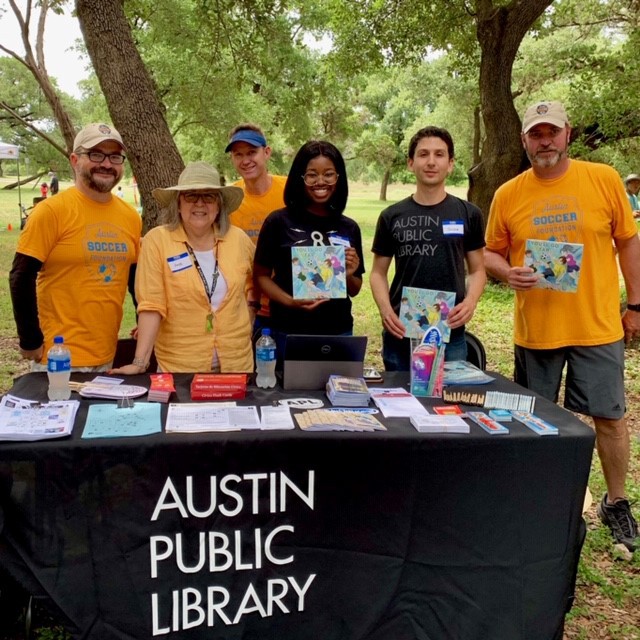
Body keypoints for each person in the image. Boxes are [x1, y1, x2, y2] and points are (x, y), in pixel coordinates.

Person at [484, 100, 640, 552]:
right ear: (524, 141)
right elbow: (491, 251)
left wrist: (636, 305)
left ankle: (616, 501)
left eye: (552, 131)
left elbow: (628, 242)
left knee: (609, 418)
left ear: (568, 133)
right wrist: (505, 271)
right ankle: (535, 500)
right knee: (534, 420)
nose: (545, 140)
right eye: (536, 133)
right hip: (538, 329)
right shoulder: (508, 193)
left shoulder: (603, 178)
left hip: (597, 326)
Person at [9, 122, 141, 371]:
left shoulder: (131, 217)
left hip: (106, 352)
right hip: (58, 356)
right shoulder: (51, 211)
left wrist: (141, 319)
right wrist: (30, 340)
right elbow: (20, 276)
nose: (106, 164)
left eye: (114, 156)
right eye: (96, 154)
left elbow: (134, 279)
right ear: (74, 160)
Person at [110, 162, 256, 374]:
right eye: (190, 196)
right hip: (180, 369)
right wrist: (140, 362)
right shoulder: (157, 241)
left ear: (219, 206)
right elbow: (151, 305)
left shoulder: (238, 239)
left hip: (237, 366)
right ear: (178, 204)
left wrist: (251, 307)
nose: (199, 203)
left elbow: (261, 277)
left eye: (208, 196)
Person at [370, 126, 486, 370]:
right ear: (411, 163)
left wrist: (471, 301)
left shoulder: (469, 214)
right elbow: (378, 273)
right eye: (423, 154)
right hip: (400, 332)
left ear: (451, 163)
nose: (431, 162)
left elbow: (477, 270)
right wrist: (385, 310)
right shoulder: (391, 216)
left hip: (449, 334)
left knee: (447, 405)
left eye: (439, 154)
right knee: (399, 406)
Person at [253, 140, 365, 360]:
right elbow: (261, 277)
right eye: (312, 174)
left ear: (338, 178)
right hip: (288, 330)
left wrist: (349, 273)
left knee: (338, 392)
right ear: (300, 178)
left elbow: (354, 289)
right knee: (287, 392)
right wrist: (290, 301)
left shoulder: (348, 227)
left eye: (328, 174)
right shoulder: (278, 221)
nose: (320, 181)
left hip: (338, 332)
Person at [226, 123, 287, 335]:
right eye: (238, 154)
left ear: (267, 152)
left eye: (252, 152)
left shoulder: (290, 191)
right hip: (244, 307)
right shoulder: (228, 199)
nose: (245, 160)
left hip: (288, 304)